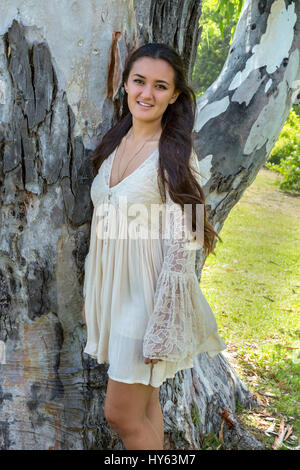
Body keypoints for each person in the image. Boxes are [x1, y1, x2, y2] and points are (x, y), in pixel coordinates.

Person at [81, 43, 227, 450]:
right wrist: (94, 290)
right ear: (125, 83)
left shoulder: (175, 155)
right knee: (145, 407)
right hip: (112, 292)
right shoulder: (115, 141)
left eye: (160, 86)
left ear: (175, 95)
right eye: (139, 81)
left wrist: (165, 321)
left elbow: (189, 238)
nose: (147, 94)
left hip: (147, 299)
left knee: (120, 413)